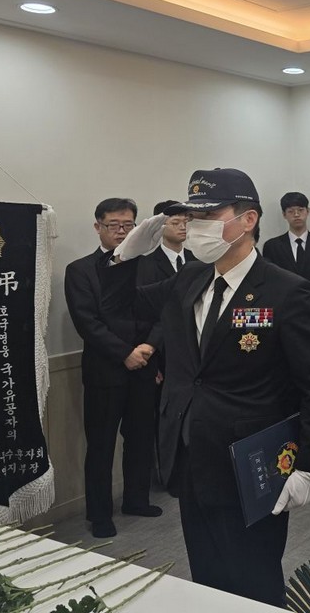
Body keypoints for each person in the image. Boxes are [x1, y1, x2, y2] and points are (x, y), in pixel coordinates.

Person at [103, 168, 310, 606]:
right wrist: (124, 258)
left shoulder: (287, 291)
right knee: (207, 576)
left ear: (248, 219)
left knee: (255, 579)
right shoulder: (189, 278)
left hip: (251, 460)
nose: (197, 225)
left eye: (210, 215)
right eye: (193, 216)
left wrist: (309, 465)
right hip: (191, 452)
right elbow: (117, 308)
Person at [63, 198, 161, 539]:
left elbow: (163, 312)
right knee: (101, 445)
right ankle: (100, 514)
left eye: (128, 225)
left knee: (140, 438)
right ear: (98, 227)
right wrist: (124, 354)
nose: (121, 231)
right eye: (113, 225)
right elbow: (87, 322)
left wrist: (149, 346)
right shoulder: (80, 270)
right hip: (105, 372)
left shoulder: (148, 266)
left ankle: (136, 499)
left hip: (144, 366)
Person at [135, 200, 195, 480]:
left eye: (186, 221)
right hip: (163, 354)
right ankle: (169, 475)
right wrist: (154, 358)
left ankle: (191, 469)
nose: (182, 227)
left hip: (195, 352)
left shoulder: (198, 261)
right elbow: (148, 315)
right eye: (175, 222)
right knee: (166, 418)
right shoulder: (146, 264)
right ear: (161, 226)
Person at [262, 192, 310, 286]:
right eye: (291, 211)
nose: (296, 214)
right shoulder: (271, 246)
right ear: (284, 214)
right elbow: (270, 280)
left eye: (300, 210)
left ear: (308, 211)